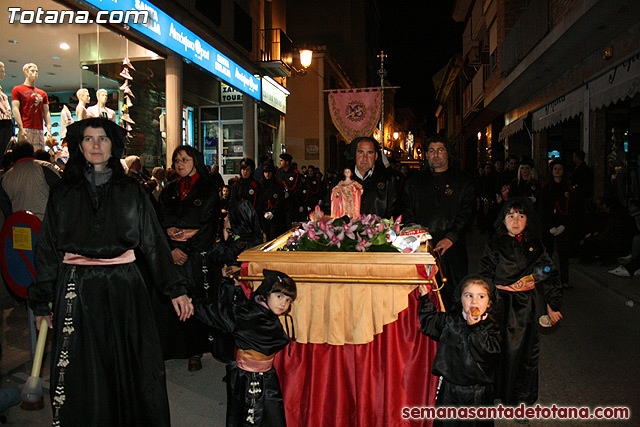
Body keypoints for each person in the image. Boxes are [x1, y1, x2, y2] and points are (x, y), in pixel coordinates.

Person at [28, 117, 193, 426]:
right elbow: (48, 248)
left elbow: (153, 241)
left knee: (129, 364)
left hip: (124, 286)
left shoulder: (132, 190)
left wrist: (176, 288)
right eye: (89, 139)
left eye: (102, 139)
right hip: (76, 287)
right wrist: (42, 301)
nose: (95, 145)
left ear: (112, 146)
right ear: (79, 145)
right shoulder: (63, 192)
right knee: (83, 366)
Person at [479, 198, 563, 406]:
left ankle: (521, 402)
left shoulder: (534, 245)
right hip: (499, 305)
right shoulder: (495, 243)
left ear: (528, 220)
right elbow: (485, 274)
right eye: (511, 216)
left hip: (526, 306)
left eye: (521, 216)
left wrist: (537, 281)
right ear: (503, 219)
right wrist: (495, 291)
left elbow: (548, 270)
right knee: (496, 350)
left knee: (523, 354)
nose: (516, 221)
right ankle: (494, 396)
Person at [194, 269, 296, 427]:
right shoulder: (246, 317)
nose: (283, 304)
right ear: (266, 294)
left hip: (267, 376)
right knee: (251, 416)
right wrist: (191, 303)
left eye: (288, 300)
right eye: (279, 296)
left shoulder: (266, 313)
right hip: (249, 377)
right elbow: (218, 312)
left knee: (272, 414)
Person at [155, 145, 220, 371]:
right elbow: (158, 224)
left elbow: (209, 225)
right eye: (176, 160)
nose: (180, 164)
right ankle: (173, 348)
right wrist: (172, 248)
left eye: (185, 159)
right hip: (172, 255)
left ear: (196, 161)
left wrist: (187, 247)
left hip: (196, 257)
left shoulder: (208, 189)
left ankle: (196, 350)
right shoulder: (168, 190)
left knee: (195, 301)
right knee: (170, 299)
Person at [402, 136, 476, 309]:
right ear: (426, 155)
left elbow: (467, 212)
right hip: (421, 248)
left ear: (448, 154)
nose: (436, 155)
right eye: (432, 151)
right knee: (423, 296)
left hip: (453, 248)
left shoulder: (463, 181)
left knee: (454, 295)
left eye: (440, 150)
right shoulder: (414, 183)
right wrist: (418, 238)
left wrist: (451, 237)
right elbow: (407, 211)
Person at [418, 275, 500, 425]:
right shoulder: (450, 320)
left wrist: (475, 328)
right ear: (460, 299)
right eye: (469, 296)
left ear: (489, 303)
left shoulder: (490, 327)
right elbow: (430, 322)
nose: (474, 301)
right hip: (451, 388)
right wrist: (425, 300)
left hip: (478, 392)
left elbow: (487, 352)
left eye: (481, 296)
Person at [0, 141, 60, 221]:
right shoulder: (44, 167)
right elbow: (60, 191)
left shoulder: (5, 178)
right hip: (43, 223)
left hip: (18, 225)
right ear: (33, 153)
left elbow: (6, 208)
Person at [539, 160, 574, 288]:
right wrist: (549, 227)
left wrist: (564, 225)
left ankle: (564, 280)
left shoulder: (568, 189)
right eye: (555, 169)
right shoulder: (546, 187)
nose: (557, 171)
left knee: (563, 254)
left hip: (563, 225)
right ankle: (546, 279)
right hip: (549, 226)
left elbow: (571, 209)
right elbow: (542, 209)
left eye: (560, 169)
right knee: (547, 254)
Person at [346, 136, 400, 218]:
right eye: (361, 152)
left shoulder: (387, 180)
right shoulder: (341, 180)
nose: (365, 158)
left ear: (376, 156)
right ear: (355, 154)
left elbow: (394, 212)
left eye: (370, 153)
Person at [11, 63, 52, 151]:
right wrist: (20, 127)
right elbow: (15, 109)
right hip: (25, 128)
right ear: (26, 72)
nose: (35, 73)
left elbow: (46, 112)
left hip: (39, 129)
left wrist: (49, 129)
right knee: (24, 154)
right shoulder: (17, 90)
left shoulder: (42, 93)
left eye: (37, 71)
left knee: (39, 154)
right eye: (32, 71)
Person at [276, 153, 304, 226]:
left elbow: (298, 187)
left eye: (281, 161)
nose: (280, 162)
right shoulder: (278, 172)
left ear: (287, 162)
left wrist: (290, 193)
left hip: (292, 202)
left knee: (290, 222)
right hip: (281, 201)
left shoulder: (294, 173)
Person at [261, 164, 286, 240]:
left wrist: (273, 212)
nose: (267, 174)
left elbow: (281, 200)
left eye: (269, 172)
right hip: (264, 214)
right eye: (265, 172)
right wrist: (264, 212)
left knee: (274, 235)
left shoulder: (278, 185)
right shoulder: (261, 185)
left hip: (276, 215)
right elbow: (260, 200)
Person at [0, 62, 12, 166]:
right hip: (2, 123)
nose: (4, 74)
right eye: (2, 71)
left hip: (6, 123)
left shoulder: (1, 91)